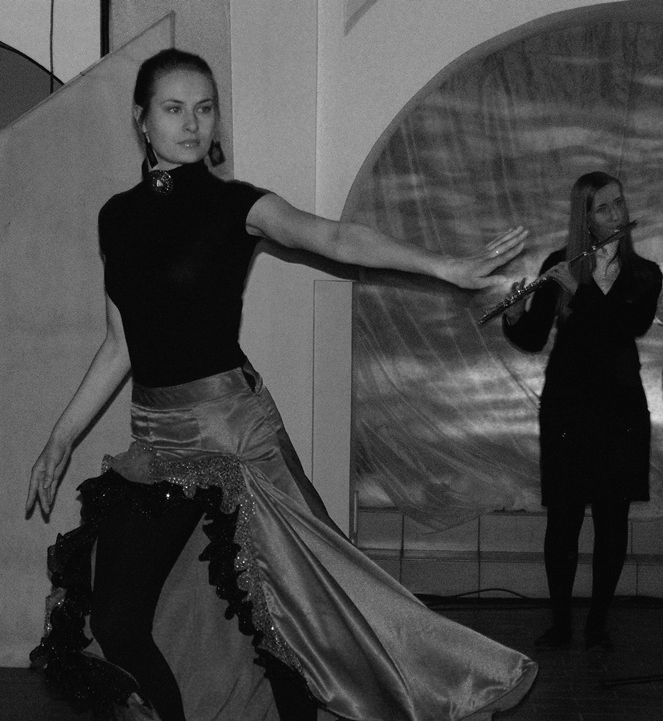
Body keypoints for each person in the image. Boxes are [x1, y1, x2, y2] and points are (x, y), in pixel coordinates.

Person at [27, 48, 536, 721]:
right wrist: (60, 438)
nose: (193, 123)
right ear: (141, 119)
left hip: (230, 435)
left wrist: (445, 266)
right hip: (155, 440)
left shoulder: (236, 204)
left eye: (205, 108)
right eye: (174, 109)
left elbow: (336, 238)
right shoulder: (116, 218)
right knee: (120, 619)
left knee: (285, 617)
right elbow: (122, 343)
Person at [503, 171, 661, 653]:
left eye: (619, 204)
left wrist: (579, 290)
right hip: (567, 409)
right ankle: (560, 624)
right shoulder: (561, 264)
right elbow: (534, 338)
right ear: (586, 219)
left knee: (612, 519)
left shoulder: (645, 274)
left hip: (620, 409)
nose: (616, 214)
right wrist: (514, 316)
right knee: (564, 518)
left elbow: (625, 327)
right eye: (603, 208)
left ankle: (597, 624)